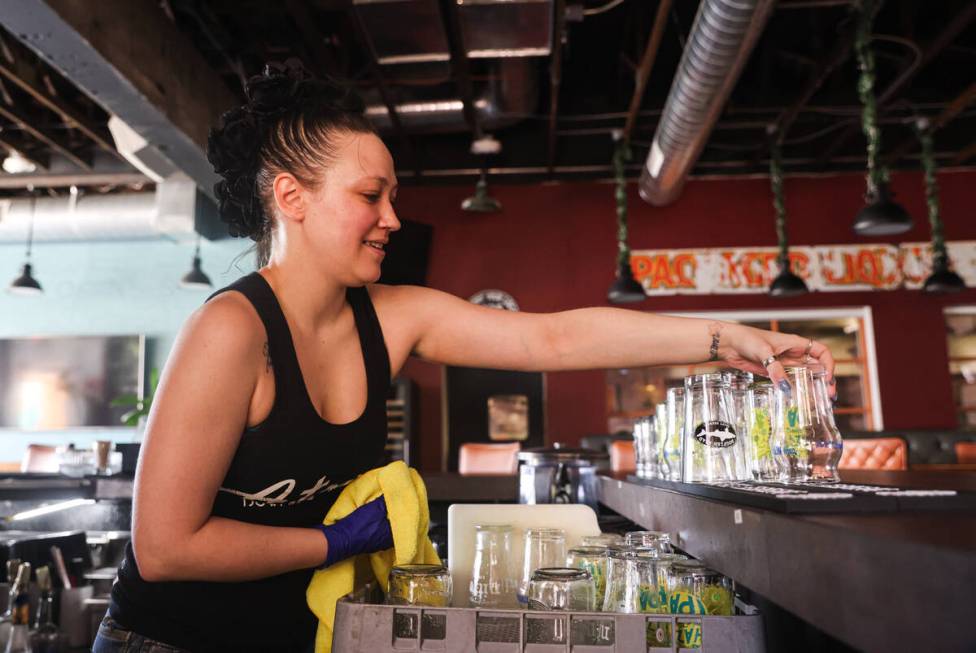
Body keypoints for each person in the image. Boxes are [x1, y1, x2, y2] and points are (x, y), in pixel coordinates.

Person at [94, 63, 835, 652]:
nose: (392, 218)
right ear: (292, 196)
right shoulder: (231, 330)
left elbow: (553, 340)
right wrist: (332, 540)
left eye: (392, 197)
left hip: (296, 636)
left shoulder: (393, 316)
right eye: (371, 195)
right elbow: (163, 546)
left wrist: (726, 338)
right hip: (167, 639)